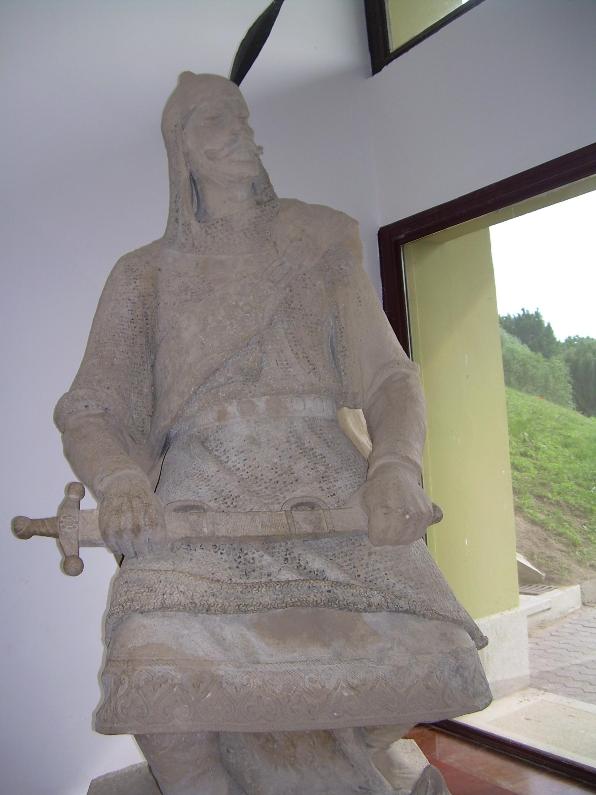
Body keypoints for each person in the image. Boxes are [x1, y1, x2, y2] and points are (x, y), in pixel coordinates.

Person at [55, 73, 490, 795]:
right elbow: (91, 407)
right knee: (152, 670)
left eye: (242, 117)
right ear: (181, 148)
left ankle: (326, 765)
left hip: (329, 486)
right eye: (215, 121)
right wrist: (123, 481)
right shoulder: (144, 277)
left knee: (430, 660)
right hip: (201, 499)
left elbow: (390, 378)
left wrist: (395, 467)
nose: (240, 132)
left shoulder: (317, 244)